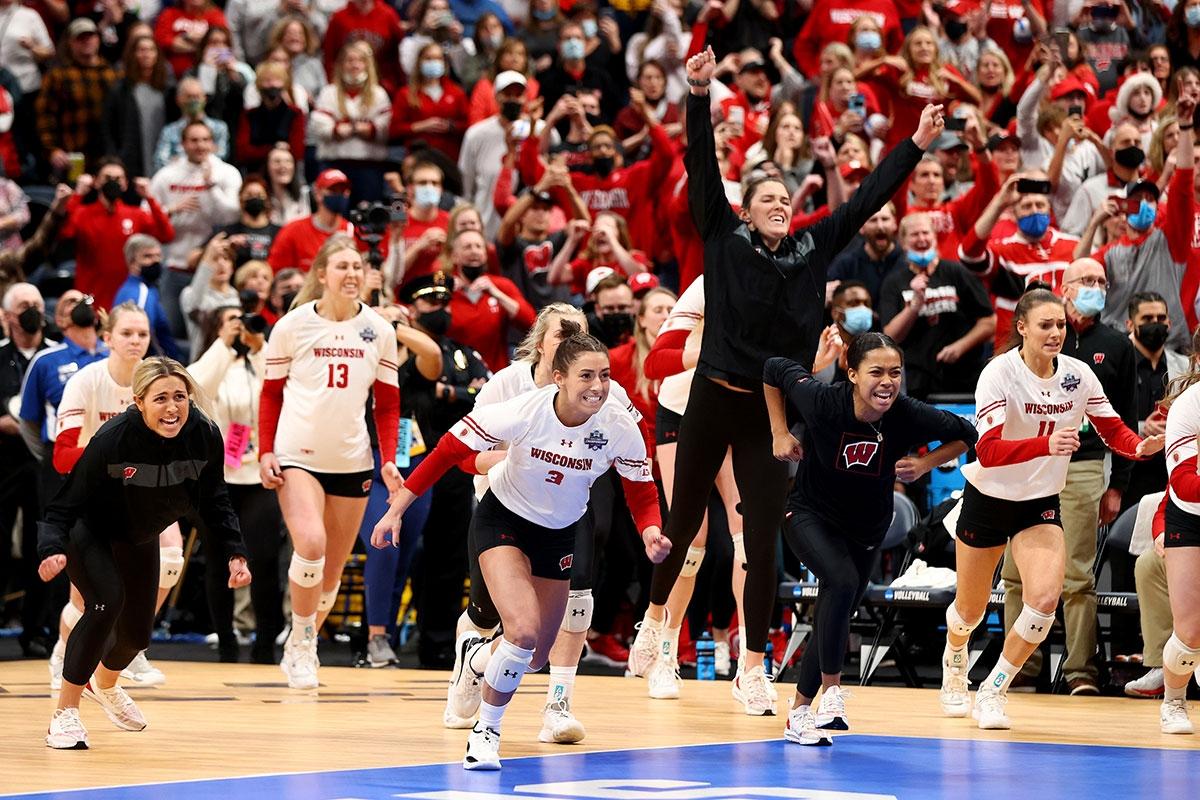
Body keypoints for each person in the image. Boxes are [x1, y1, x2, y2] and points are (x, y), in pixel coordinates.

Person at [630, 47, 940, 717]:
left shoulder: (811, 249)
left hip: (771, 412)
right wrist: (697, 93)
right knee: (683, 523)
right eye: (763, 197)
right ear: (745, 211)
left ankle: (751, 667)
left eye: (782, 197)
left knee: (762, 537)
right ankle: (654, 623)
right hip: (711, 395)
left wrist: (914, 145)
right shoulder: (721, 236)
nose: (776, 203)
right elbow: (700, 166)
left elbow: (866, 199)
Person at [371, 328, 669, 770]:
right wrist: (395, 509)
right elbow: (447, 451)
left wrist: (650, 530)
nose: (598, 386)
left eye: (605, 376)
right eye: (586, 376)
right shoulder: (524, 411)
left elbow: (640, 488)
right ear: (558, 377)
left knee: (533, 657)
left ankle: (476, 656)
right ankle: (486, 732)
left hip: (558, 534)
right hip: (503, 522)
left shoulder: (618, 424)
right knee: (523, 631)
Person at [940, 289, 1162, 731]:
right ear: (1021, 327)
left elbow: (1111, 427)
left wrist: (1140, 447)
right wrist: (1047, 444)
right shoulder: (998, 373)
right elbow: (986, 449)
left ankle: (992, 690)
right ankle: (955, 654)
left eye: (1060, 325)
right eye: (1045, 325)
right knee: (970, 610)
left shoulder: (1078, 375)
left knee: (1043, 602)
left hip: (1039, 501)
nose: (1056, 332)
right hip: (989, 499)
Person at [764, 334, 976, 745]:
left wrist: (925, 462)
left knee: (835, 604)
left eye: (895, 373)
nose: (887, 382)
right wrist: (778, 431)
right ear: (852, 372)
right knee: (840, 584)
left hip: (867, 527)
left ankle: (799, 714)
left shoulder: (907, 414)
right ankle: (833, 693)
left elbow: (967, 433)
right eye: (876, 372)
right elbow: (774, 368)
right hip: (808, 514)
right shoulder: (823, 402)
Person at [38, 356, 250, 750]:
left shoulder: (204, 435)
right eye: (161, 398)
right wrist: (50, 548)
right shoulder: (113, 439)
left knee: (136, 636)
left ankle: (105, 685)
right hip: (90, 530)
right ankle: (63, 715)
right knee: (105, 604)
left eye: (180, 397)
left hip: (139, 535)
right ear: (139, 402)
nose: (172, 408)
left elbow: (216, 501)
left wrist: (235, 552)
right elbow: (65, 504)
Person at [258, 234, 401, 689]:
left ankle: (303, 642)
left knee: (332, 572)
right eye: (342, 266)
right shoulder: (293, 325)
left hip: (352, 460)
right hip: (297, 456)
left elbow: (388, 404)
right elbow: (269, 394)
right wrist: (264, 450)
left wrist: (388, 458)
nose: (352, 274)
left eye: (357, 267)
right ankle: (301, 643)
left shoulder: (379, 330)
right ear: (322, 274)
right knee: (311, 544)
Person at [999, 257, 1138, 695]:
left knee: (1077, 573)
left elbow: (1123, 421)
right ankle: (1021, 667)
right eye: (1086, 280)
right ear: (1065, 286)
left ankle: (1081, 672)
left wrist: (1117, 485)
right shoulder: (1015, 356)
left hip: (1082, 467)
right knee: (1016, 574)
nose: (1096, 286)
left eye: (1102, 280)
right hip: (1024, 467)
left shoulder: (1116, 346)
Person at [47, 304, 178, 691]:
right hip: (91, 494)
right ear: (107, 338)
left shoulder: (158, 384)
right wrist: (111, 459)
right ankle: (61, 653)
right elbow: (61, 456)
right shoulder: (85, 381)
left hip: (143, 495)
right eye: (127, 333)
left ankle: (129, 647)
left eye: (142, 334)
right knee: (87, 599)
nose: (136, 341)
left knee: (171, 556)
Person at [635, 276, 747, 697]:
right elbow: (654, 365)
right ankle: (662, 644)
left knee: (748, 541)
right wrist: (705, 353)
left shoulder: (782, 278)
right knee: (691, 537)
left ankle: (749, 667)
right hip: (683, 411)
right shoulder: (707, 284)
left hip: (740, 415)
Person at [189, 305, 283, 664]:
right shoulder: (215, 361)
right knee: (218, 560)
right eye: (231, 320)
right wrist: (224, 345)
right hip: (217, 478)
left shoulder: (260, 360)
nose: (240, 327)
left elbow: (279, 389)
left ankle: (264, 642)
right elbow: (198, 387)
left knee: (264, 558)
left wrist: (258, 345)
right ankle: (226, 640)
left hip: (259, 474)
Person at [879, 212, 995, 401]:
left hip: (965, 377)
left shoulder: (957, 271)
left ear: (934, 236)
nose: (922, 239)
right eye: (915, 235)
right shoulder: (894, 282)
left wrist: (960, 347)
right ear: (903, 242)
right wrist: (914, 305)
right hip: (919, 382)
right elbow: (891, 336)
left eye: (926, 233)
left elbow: (989, 322)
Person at [0, 283, 54, 657]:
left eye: (36, 304)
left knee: (43, 547)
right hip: (2, 463)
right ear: (7, 316)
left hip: (42, 465)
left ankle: (35, 630)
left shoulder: (55, 357)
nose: (32, 310)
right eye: (23, 305)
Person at [61, 159, 174, 309]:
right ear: (95, 182)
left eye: (118, 178)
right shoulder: (82, 213)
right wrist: (78, 195)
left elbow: (166, 235)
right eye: (107, 178)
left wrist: (150, 198)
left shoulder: (136, 215)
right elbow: (65, 233)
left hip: (127, 299)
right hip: (91, 298)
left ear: (126, 183)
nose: (113, 182)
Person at [1158, 353, 1200, 734]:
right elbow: (1184, 483)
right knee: (1190, 632)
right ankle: (1173, 700)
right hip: (1191, 516)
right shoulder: (1189, 405)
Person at [267, 169, 355, 274]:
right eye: (333, 190)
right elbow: (275, 271)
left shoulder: (352, 231)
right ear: (318, 194)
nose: (339, 195)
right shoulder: (293, 231)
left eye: (343, 191)